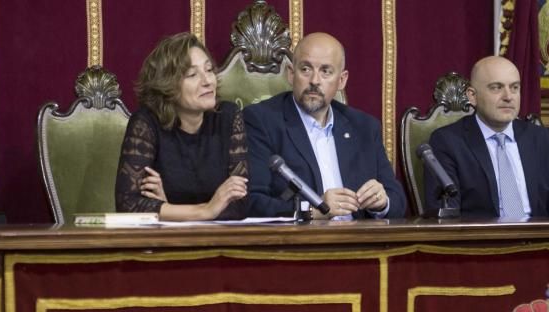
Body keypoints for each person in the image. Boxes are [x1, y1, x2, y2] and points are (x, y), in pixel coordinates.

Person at [244, 32, 406, 219]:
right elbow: (252, 202)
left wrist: (382, 202)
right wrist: (312, 212)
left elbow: (398, 202)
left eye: (326, 71)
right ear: (291, 73)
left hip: (359, 240)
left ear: (342, 80)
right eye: (305, 69)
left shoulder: (364, 127)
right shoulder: (262, 121)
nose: (314, 80)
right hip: (300, 243)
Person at [115, 32, 248, 220]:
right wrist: (206, 210)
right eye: (192, 74)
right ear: (167, 85)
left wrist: (167, 209)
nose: (207, 81)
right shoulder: (146, 123)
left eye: (209, 70)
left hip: (218, 241)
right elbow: (128, 205)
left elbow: (240, 205)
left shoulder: (228, 116)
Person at [424, 56, 549, 219]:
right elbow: (447, 214)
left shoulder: (538, 138)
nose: (508, 96)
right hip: (482, 241)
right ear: (472, 96)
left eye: (514, 88)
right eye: (496, 88)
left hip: (538, 239)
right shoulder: (448, 142)